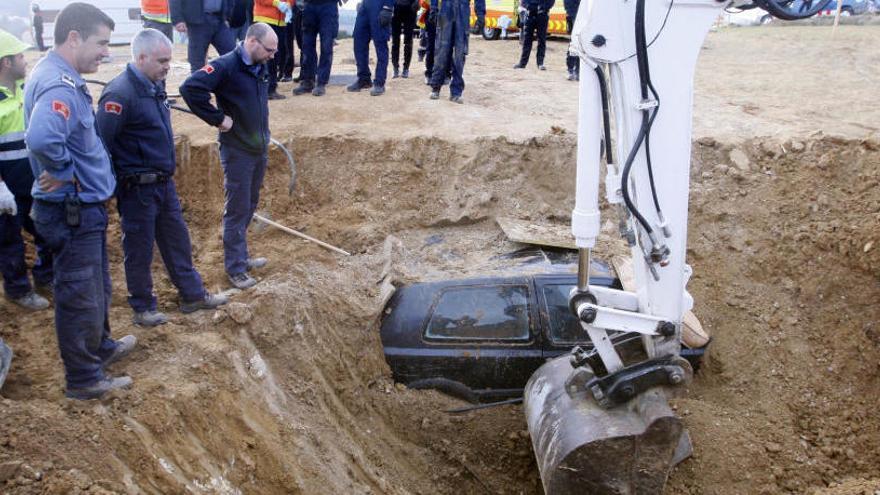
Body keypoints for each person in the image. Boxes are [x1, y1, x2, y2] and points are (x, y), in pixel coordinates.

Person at [25, 2, 136, 400]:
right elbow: (42, 137)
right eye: (100, 43)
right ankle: (84, 379)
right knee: (78, 292)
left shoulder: (60, 75)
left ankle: (100, 346)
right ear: (74, 38)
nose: (106, 51)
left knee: (95, 285)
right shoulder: (60, 85)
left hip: (82, 209)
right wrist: (64, 169)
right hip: (71, 210)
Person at [95, 29, 228, 327]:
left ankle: (192, 295)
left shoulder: (154, 85)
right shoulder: (119, 94)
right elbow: (101, 142)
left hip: (163, 184)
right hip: (137, 187)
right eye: (162, 60)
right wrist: (114, 184)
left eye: (169, 59)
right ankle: (143, 307)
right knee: (139, 249)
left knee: (177, 240)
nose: (168, 65)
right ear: (141, 58)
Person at [179, 23, 275, 289]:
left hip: (258, 147)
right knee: (237, 209)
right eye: (269, 49)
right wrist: (218, 118)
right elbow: (190, 88)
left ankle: (242, 256)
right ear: (253, 42)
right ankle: (235, 268)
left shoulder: (259, 63)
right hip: (237, 151)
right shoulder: (226, 65)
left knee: (250, 203)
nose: (272, 55)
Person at [0, 30, 52, 311]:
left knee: (45, 231)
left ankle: (46, 276)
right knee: (10, 241)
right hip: (7, 188)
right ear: (6, 62)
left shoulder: (24, 91)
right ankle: (18, 289)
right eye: (20, 56)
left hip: (32, 182)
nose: (25, 60)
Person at [427, 0, 485, 103]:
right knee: (442, 51)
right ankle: (436, 87)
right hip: (446, 10)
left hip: (462, 11)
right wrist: (434, 8)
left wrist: (480, 15)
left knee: (460, 53)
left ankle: (456, 92)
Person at [292, 0, 343, 96]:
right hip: (309, 6)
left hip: (328, 6)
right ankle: (308, 81)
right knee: (307, 46)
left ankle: (321, 83)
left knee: (326, 46)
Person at [169, 0, 237, 73]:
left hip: (219, 19)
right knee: (197, 61)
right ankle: (197, 82)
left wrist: (228, 16)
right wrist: (178, 19)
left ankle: (234, 82)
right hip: (197, 22)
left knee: (233, 54)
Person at [347, 0, 394, 96]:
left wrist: (388, 7)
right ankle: (364, 79)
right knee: (359, 41)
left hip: (380, 5)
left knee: (380, 44)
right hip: (365, 6)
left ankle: (379, 83)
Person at [253, 0, 293, 99]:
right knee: (263, 57)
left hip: (281, 22)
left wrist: (289, 4)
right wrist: (276, 3)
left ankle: (271, 88)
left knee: (274, 57)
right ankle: (260, 89)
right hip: (264, 19)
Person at [513, 0, 553, 71]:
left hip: (542, 15)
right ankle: (522, 63)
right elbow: (524, 1)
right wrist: (527, 6)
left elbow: (551, 1)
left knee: (542, 39)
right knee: (527, 40)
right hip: (530, 15)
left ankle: (540, 63)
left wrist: (543, 7)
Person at [390, 0, 419, 79]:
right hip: (396, 8)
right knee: (395, 41)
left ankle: (406, 68)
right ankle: (395, 67)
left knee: (408, 41)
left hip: (410, 8)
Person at [563, 0, 578, 81]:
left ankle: (578, 71)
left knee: (582, 43)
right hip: (574, 13)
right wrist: (569, 12)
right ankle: (571, 70)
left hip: (586, 14)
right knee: (575, 42)